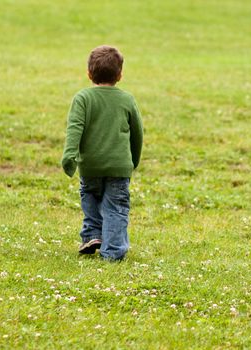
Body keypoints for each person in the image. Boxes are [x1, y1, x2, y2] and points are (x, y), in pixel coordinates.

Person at [61, 45, 143, 261]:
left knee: (90, 198)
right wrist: (134, 159)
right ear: (120, 75)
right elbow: (138, 133)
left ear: (89, 73)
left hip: (90, 165)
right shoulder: (127, 99)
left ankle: (92, 235)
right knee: (116, 207)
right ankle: (113, 252)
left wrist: (69, 156)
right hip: (119, 166)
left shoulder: (83, 98)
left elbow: (74, 128)